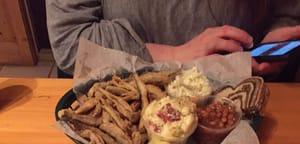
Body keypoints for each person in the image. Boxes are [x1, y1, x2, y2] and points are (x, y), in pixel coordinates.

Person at [46, 0, 300, 79]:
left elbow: (287, 10)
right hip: (126, 101)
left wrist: (277, 35)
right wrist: (177, 55)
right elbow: (70, 42)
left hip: (238, 100)